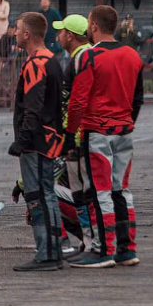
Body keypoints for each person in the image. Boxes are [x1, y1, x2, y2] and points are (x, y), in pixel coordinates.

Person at [68, 4, 143, 268]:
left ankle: (102, 250)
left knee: (99, 192)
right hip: (124, 130)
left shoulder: (89, 57)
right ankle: (126, 249)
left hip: (97, 131)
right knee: (121, 189)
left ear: (94, 27)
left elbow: (77, 102)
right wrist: (126, 122)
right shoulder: (133, 55)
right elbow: (138, 98)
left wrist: (69, 135)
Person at [8, 11, 66, 271]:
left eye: (18, 28)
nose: (15, 32)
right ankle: (53, 251)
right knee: (47, 194)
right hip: (50, 137)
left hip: (37, 140)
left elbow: (32, 106)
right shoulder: (52, 60)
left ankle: (45, 253)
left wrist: (22, 140)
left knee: (36, 196)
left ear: (27, 34)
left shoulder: (35, 63)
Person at [52, 13, 95, 259]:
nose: (57, 35)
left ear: (69, 35)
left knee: (84, 195)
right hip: (91, 135)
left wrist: (66, 137)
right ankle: (89, 242)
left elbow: (73, 104)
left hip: (79, 138)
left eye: (60, 31)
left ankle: (91, 243)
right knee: (86, 194)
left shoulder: (80, 60)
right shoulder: (91, 54)